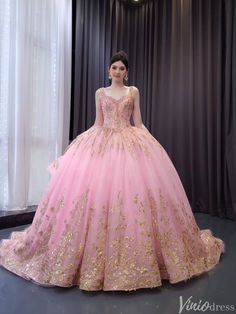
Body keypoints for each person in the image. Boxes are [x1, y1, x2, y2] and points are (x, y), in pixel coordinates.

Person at [0, 51, 225, 291]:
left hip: (128, 141)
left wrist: (149, 140)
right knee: (94, 194)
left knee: (130, 196)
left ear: (127, 72)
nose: (118, 71)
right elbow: (98, 122)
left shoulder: (133, 91)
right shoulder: (100, 92)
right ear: (109, 71)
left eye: (122, 68)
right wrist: (84, 139)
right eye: (114, 67)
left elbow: (137, 121)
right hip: (102, 139)